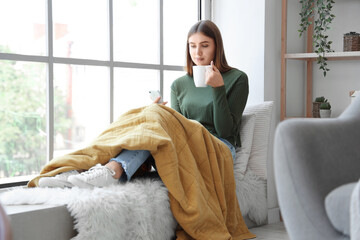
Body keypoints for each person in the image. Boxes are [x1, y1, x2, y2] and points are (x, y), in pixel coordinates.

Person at [38, 20, 248, 189]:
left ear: (216, 47)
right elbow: (178, 129)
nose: (198, 53)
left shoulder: (237, 79)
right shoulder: (179, 85)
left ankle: (111, 171)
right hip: (187, 148)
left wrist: (218, 88)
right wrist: (163, 113)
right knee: (151, 119)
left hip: (219, 150)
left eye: (205, 46)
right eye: (192, 46)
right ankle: (86, 171)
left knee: (154, 118)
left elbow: (226, 130)